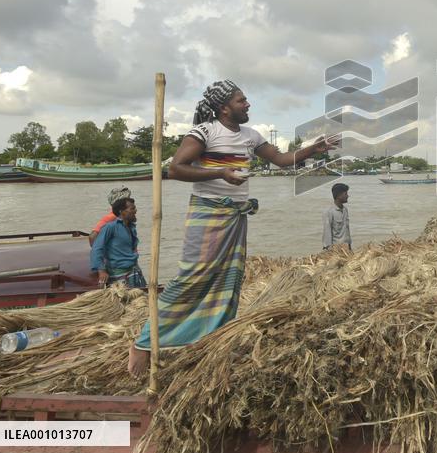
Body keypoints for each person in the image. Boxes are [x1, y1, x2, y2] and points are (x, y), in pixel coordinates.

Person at [128, 80, 340, 376]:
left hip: (235, 217)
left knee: (228, 279)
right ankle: (144, 342)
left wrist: (314, 149)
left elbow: (281, 161)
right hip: (207, 214)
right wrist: (220, 173)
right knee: (193, 276)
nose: (248, 104)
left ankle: (209, 338)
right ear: (224, 108)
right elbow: (175, 169)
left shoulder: (251, 136)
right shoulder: (204, 132)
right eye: (242, 101)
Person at [89, 197, 146, 288]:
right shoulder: (110, 227)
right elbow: (97, 248)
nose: (136, 211)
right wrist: (101, 270)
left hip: (134, 271)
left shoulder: (131, 227)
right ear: (121, 211)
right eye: (132, 208)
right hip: (119, 275)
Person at [323, 183, 352, 250]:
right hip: (336, 250)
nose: (348, 196)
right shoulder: (329, 212)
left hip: (347, 248)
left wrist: (349, 246)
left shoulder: (345, 210)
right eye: (345, 194)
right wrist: (328, 249)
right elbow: (327, 232)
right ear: (339, 196)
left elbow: (347, 231)